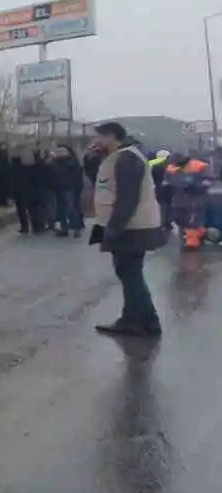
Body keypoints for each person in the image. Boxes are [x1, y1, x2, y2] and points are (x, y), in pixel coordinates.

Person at [87, 121, 168, 337]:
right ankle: (143, 320)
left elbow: (128, 197)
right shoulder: (117, 157)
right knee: (129, 274)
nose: (96, 141)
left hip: (131, 227)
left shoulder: (127, 158)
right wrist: (92, 159)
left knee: (130, 274)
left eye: (99, 137)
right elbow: (102, 183)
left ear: (112, 136)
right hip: (128, 226)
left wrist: (115, 228)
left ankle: (139, 321)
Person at [165, 151, 214, 250]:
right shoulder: (171, 167)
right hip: (178, 198)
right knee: (178, 218)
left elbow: (208, 181)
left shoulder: (200, 166)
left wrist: (196, 185)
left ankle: (192, 241)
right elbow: (167, 180)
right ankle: (201, 232)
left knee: (192, 220)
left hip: (195, 198)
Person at [47, 144, 85, 237]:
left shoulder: (72, 162)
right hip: (58, 188)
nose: (60, 153)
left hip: (70, 188)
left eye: (63, 151)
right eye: (59, 151)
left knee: (70, 207)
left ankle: (76, 227)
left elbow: (77, 177)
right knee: (61, 209)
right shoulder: (53, 163)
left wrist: (78, 187)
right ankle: (64, 228)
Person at [12, 144, 47, 234]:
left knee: (32, 210)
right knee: (30, 210)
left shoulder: (34, 166)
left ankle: (33, 227)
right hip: (24, 190)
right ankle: (33, 227)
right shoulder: (20, 166)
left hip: (28, 190)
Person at [149, 149, 172, 229]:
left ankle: (161, 224)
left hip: (158, 188)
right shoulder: (169, 165)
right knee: (169, 206)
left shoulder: (152, 163)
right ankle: (167, 223)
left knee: (162, 207)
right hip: (169, 188)